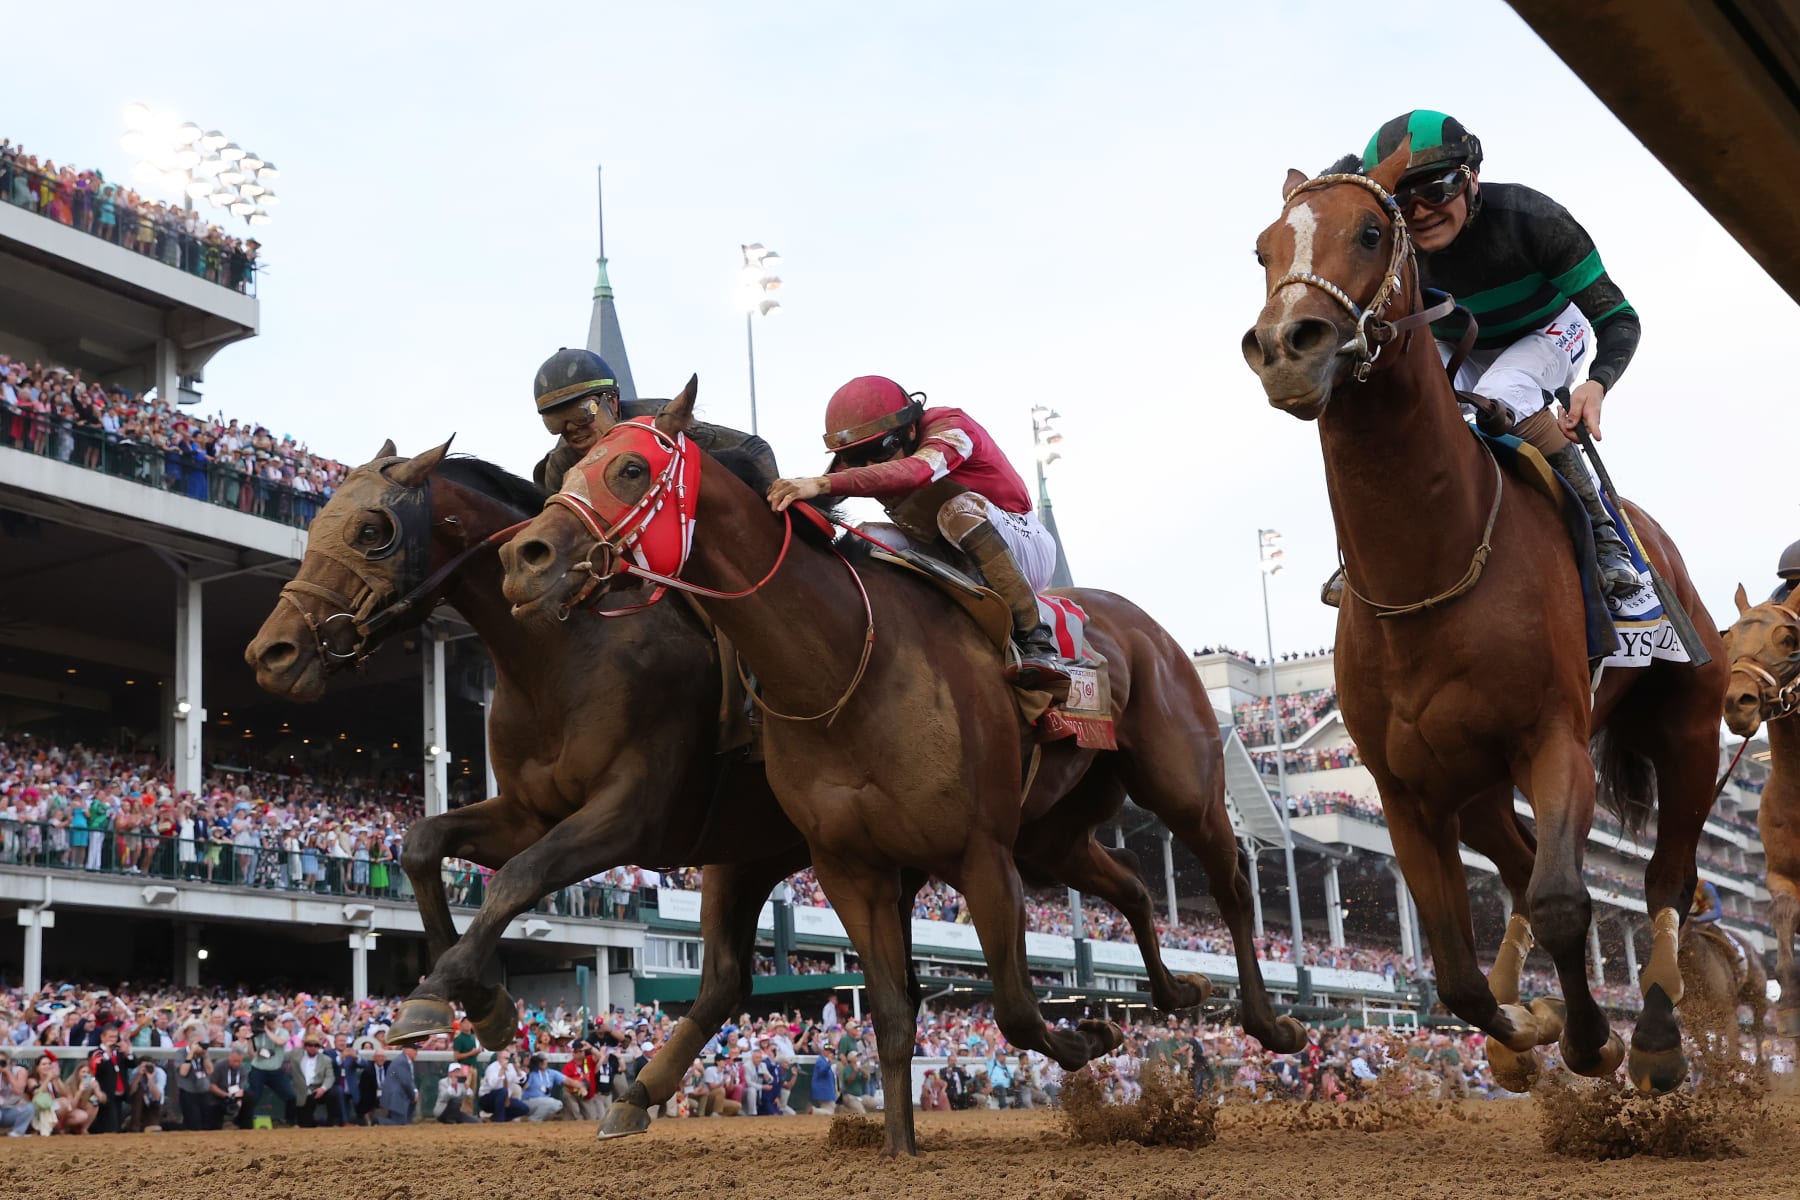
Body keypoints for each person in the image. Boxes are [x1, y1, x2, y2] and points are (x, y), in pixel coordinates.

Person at [1330, 110, 1641, 603]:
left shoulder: (1534, 219)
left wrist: (1596, 383)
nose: (1421, 213)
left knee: (1499, 392)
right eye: (1403, 202)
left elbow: (1619, 318)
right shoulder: (1392, 242)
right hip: (1458, 339)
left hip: (1547, 327)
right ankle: (1372, 548)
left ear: (1472, 179)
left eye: (1437, 190)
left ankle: (1606, 539)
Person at [767, 376, 1071, 694]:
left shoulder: (952, 426)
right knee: (865, 537)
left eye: (880, 449)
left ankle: (1037, 641)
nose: (867, 464)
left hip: (1025, 547)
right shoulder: (876, 451)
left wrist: (822, 482)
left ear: (911, 429)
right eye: (856, 458)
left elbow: (917, 470)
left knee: (957, 509)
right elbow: (821, 496)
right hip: (952, 552)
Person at [529, 348, 778, 492]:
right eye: (556, 422)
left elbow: (753, 448)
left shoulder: (659, 423)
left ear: (612, 402)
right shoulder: (562, 466)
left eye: (582, 413)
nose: (572, 429)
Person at [289, 1031, 336, 1127]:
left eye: (316, 1046)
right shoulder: (296, 1054)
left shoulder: (326, 1059)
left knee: (333, 1094)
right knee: (305, 1122)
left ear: (319, 1047)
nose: (313, 1048)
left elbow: (330, 1077)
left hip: (317, 1089)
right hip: (301, 1090)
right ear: (305, 1046)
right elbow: (281, 1057)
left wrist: (323, 1088)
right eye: (310, 1045)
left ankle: (333, 1123)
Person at [209, 1046, 252, 1129]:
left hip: (235, 1092)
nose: (237, 1063)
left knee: (249, 1097)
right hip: (219, 1093)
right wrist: (225, 1095)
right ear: (229, 1057)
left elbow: (242, 1086)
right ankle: (215, 1127)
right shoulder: (219, 1066)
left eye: (239, 1061)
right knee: (213, 1103)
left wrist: (238, 1098)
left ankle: (244, 1126)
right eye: (235, 1061)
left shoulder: (242, 1068)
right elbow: (212, 1085)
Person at [520, 1053, 562, 1122]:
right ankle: (534, 1120)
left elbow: (566, 1080)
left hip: (542, 1102)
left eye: (543, 1060)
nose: (542, 1062)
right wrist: (527, 1073)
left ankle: (541, 1119)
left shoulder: (550, 1073)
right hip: (528, 1102)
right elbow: (524, 1087)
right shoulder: (531, 1074)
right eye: (540, 1061)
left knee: (558, 1104)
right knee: (548, 1102)